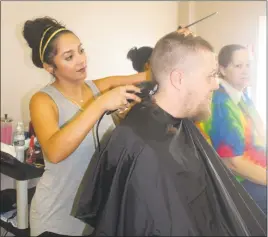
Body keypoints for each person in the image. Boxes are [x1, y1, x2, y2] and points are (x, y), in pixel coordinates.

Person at [72, 30, 266, 236]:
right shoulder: (146, 149)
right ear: (179, 79)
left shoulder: (175, 125)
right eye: (211, 76)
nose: (216, 85)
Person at [22, 16, 148, 236]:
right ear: (50, 67)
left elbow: (147, 76)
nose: (81, 60)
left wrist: (176, 44)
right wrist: (100, 104)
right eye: (69, 57)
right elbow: (54, 152)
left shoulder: (97, 87)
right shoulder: (43, 100)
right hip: (55, 220)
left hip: (92, 217)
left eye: (81, 50)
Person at [196, 44, 267, 214]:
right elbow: (233, 163)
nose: (246, 71)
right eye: (238, 66)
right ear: (223, 69)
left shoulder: (241, 96)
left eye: (248, 65)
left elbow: (261, 134)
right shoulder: (220, 103)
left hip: (256, 172)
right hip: (238, 184)